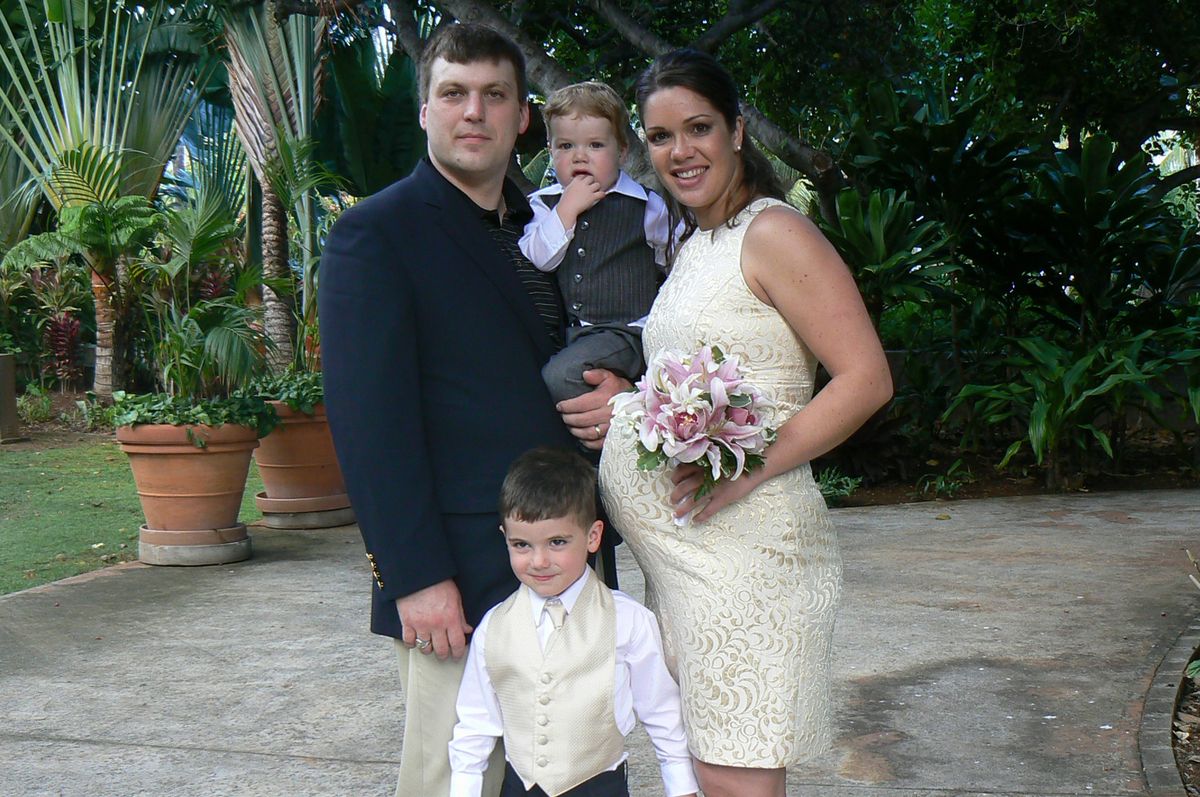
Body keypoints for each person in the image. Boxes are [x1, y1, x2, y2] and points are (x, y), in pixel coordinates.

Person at [318, 23, 627, 797]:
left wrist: (621, 393)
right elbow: (370, 425)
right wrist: (415, 576)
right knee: (456, 778)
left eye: (495, 95)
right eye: (453, 93)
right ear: (425, 110)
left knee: (576, 773)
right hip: (457, 577)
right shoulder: (375, 234)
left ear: (523, 117)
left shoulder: (555, 222)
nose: (474, 112)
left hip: (572, 563)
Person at [598, 49, 894, 797]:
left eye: (698, 128)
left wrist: (748, 468)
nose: (680, 151)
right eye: (660, 136)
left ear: (736, 130)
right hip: (694, 561)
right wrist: (631, 399)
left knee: (737, 777)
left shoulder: (772, 232)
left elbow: (866, 378)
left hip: (749, 553)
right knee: (716, 771)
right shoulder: (700, 242)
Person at [448, 447, 699, 797]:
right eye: (521, 545)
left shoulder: (627, 620)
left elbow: (662, 713)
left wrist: (681, 787)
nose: (539, 560)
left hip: (599, 787)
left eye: (557, 542)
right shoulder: (494, 626)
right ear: (504, 537)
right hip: (520, 788)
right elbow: (475, 723)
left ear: (593, 537)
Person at [518, 81, 671, 404]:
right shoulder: (544, 204)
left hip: (627, 332)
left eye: (595, 145)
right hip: (570, 334)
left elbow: (677, 262)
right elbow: (539, 258)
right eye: (565, 146)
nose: (579, 157)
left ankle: (632, 406)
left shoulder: (646, 206)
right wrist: (566, 210)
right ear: (551, 150)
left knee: (560, 377)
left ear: (622, 151)